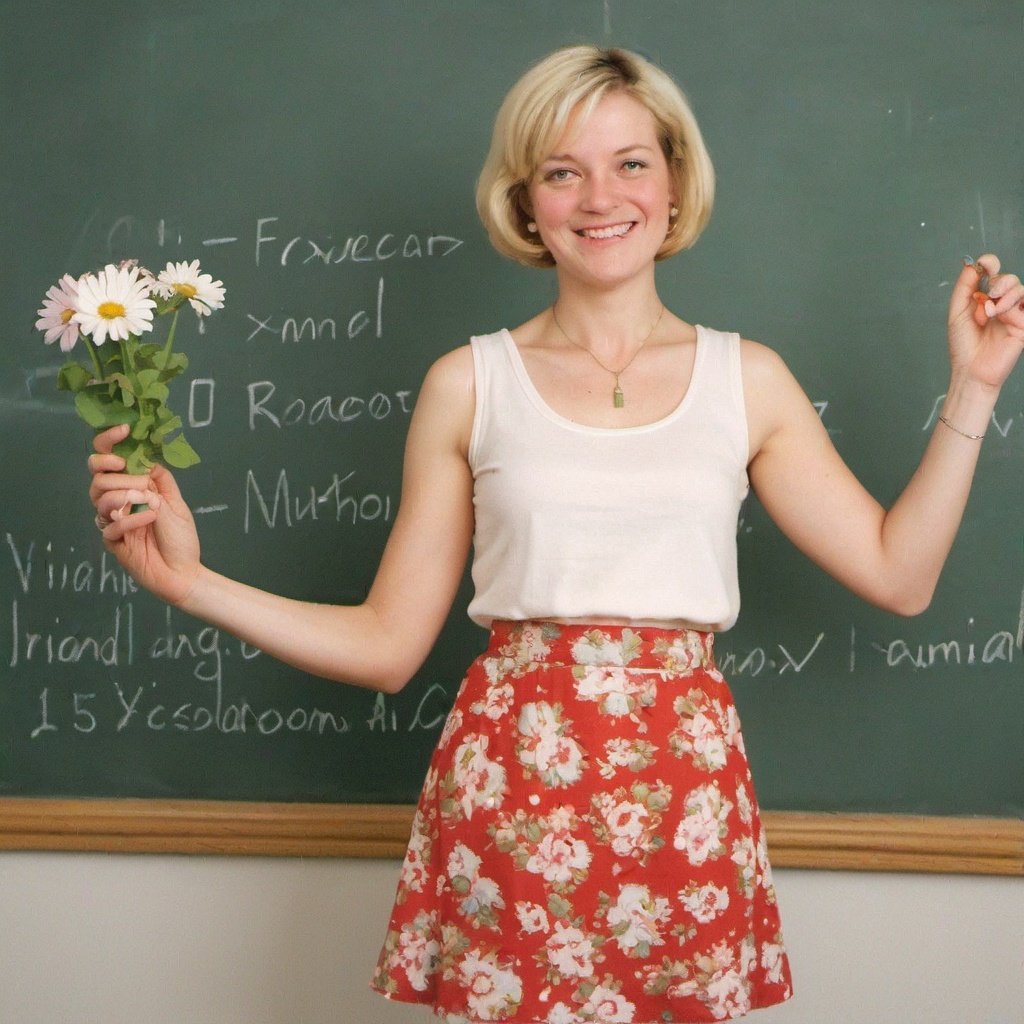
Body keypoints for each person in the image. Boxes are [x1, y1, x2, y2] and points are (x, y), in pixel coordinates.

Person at [87, 45, 1022, 1024]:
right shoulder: (467, 383)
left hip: (685, 788)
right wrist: (192, 585)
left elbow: (898, 575)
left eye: (629, 162)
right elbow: (389, 645)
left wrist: (974, 387)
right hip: (513, 785)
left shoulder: (747, 380)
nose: (597, 196)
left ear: (673, 183)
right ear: (526, 201)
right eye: (561, 170)